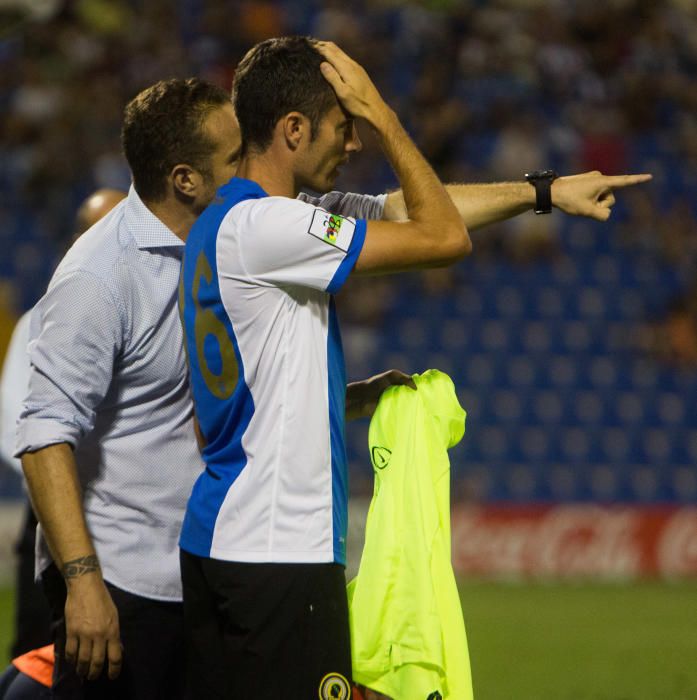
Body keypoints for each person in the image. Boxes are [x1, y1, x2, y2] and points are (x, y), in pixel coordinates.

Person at [16, 70, 649, 700]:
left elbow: (395, 213)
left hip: (206, 561)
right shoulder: (103, 276)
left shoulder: (249, 225)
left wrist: (544, 192)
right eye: (237, 154)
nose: (255, 160)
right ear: (185, 179)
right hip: (130, 585)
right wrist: (82, 580)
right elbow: (44, 432)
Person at [0, 190, 125, 662]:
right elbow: (25, 431)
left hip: (125, 521)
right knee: (38, 658)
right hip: (54, 513)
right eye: (97, 228)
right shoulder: (40, 320)